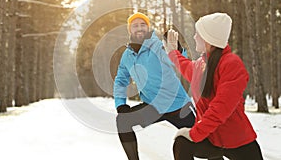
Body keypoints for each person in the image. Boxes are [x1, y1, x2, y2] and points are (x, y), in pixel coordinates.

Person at [164, 12, 264, 160]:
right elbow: (186, 67)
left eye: (197, 33)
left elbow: (220, 109)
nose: (194, 37)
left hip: (237, 140)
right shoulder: (202, 64)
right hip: (210, 139)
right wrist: (173, 53)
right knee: (181, 143)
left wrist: (194, 133)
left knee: (186, 138)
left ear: (208, 39)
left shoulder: (231, 64)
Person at [113, 12, 196, 160]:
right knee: (123, 120)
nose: (139, 28)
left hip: (179, 106)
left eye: (143, 24)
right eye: (135, 25)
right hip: (153, 107)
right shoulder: (127, 55)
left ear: (148, 27)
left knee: (204, 141)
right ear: (129, 30)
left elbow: (177, 60)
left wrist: (176, 48)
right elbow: (120, 80)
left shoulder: (158, 46)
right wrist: (120, 104)